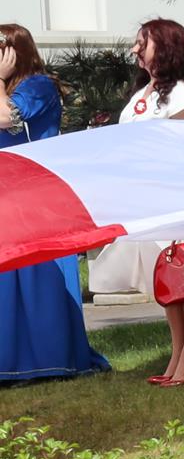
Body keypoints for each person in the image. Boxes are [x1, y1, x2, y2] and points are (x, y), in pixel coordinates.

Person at [93, 19, 184, 383]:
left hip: (176, 193)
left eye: (141, 43)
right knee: (166, 275)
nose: (134, 50)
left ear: (163, 47)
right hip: (146, 196)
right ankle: (178, 354)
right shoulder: (144, 91)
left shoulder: (180, 91)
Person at [0, 25, 110, 383]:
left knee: (35, 281)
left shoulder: (38, 86)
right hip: (7, 192)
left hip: (32, 195)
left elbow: (6, 118)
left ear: (14, 52)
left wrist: (0, 81)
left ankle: (47, 360)